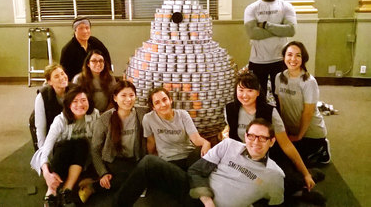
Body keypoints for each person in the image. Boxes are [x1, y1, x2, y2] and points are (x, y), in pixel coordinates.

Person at [113, 118, 284, 207]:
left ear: (272, 141)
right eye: (252, 136)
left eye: (263, 138)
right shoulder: (229, 145)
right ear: (245, 136)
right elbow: (195, 171)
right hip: (196, 194)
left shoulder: (274, 175)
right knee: (149, 162)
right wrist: (207, 200)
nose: (255, 142)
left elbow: (274, 203)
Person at [224, 71, 326, 205]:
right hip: (244, 158)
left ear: (258, 92)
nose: (244, 95)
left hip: (270, 157)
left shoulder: (270, 112)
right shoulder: (230, 109)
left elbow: (286, 145)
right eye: (241, 90)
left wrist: (305, 173)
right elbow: (228, 130)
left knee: (282, 180)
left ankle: (305, 177)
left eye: (250, 90)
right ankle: (298, 192)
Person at [30, 86, 100, 207]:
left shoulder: (95, 115)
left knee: (81, 143)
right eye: (75, 101)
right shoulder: (60, 120)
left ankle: (66, 190)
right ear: (68, 104)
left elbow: (97, 144)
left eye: (83, 100)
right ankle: (51, 191)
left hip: (81, 159)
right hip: (61, 159)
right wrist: (46, 174)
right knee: (67, 144)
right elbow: (46, 150)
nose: (80, 104)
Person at [83, 81, 148, 203]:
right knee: (134, 178)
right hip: (114, 161)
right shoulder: (105, 119)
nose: (128, 99)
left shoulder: (142, 113)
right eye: (123, 95)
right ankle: (93, 187)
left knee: (142, 175)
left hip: (135, 159)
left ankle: (96, 183)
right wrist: (103, 173)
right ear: (115, 98)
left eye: (131, 95)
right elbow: (95, 149)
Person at [244, 0, 297, 105]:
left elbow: (291, 30)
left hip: (279, 60)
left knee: (281, 98)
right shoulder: (251, 8)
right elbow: (252, 33)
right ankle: (261, 125)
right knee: (258, 99)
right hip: (257, 61)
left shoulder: (286, 7)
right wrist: (279, 29)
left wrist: (265, 25)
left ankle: (283, 126)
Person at [275, 41, 330, 165]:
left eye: (298, 55)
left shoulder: (309, 82)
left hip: (310, 133)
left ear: (303, 58)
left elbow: (308, 112)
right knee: (279, 156)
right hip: (292, 130)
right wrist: (284, 130)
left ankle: (322, 147)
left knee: (297, 163)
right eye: (289, 55)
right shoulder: (279, 77)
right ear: (284, 57)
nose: (293, 59)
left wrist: (299, 136)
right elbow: (282, 106)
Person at [143, 87, 211, 171]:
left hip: (189, 156)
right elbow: (151, 143)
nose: (163, 104)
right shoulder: (148, 118)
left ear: (170, 100)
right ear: (153, 107)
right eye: (157, 103)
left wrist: (206, 143)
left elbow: (196, 139)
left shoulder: (183, 115)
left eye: (165, 100)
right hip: (169, 161)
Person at [33, 63, 71, 149]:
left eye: (62, 73)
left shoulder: (74, 91)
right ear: (49, 81)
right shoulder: (42, 97)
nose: (62, 77)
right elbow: (41, 127)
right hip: (51, 136)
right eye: (56, 76)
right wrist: (43, 151)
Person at [60, 17, 111, 81]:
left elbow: (106, 57)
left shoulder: (95, 42)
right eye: (81, 28)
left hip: (99, 79)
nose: (85, 31)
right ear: (75, 30)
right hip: (79, 82)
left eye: (87, 28)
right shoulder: (68, 50)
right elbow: (66, 73)